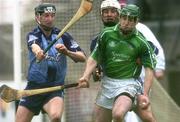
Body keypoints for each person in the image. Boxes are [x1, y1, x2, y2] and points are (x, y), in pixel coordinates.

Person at [78, 4, 157, 122]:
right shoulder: (106, 34)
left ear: (136, 21)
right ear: (120, 18)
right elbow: (95, 57)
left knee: (118, 114)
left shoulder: (141, 42)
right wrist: (86, 76)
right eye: (124, 18)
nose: (126, 22)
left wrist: (145, 94)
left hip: (129, 83)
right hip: (108, 83)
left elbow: (149, 69)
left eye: (130, 19)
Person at [15, 3, 86, 122]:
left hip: (55, 88)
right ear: (38, 17)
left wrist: (67, 52)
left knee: (56, 117)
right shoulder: (33, 34)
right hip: (34, 89)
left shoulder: (63, 36)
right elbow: (34, 45)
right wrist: (38, 52)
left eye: (52, 15)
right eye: (46, 16)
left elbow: (82, 57)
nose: (50, 19)